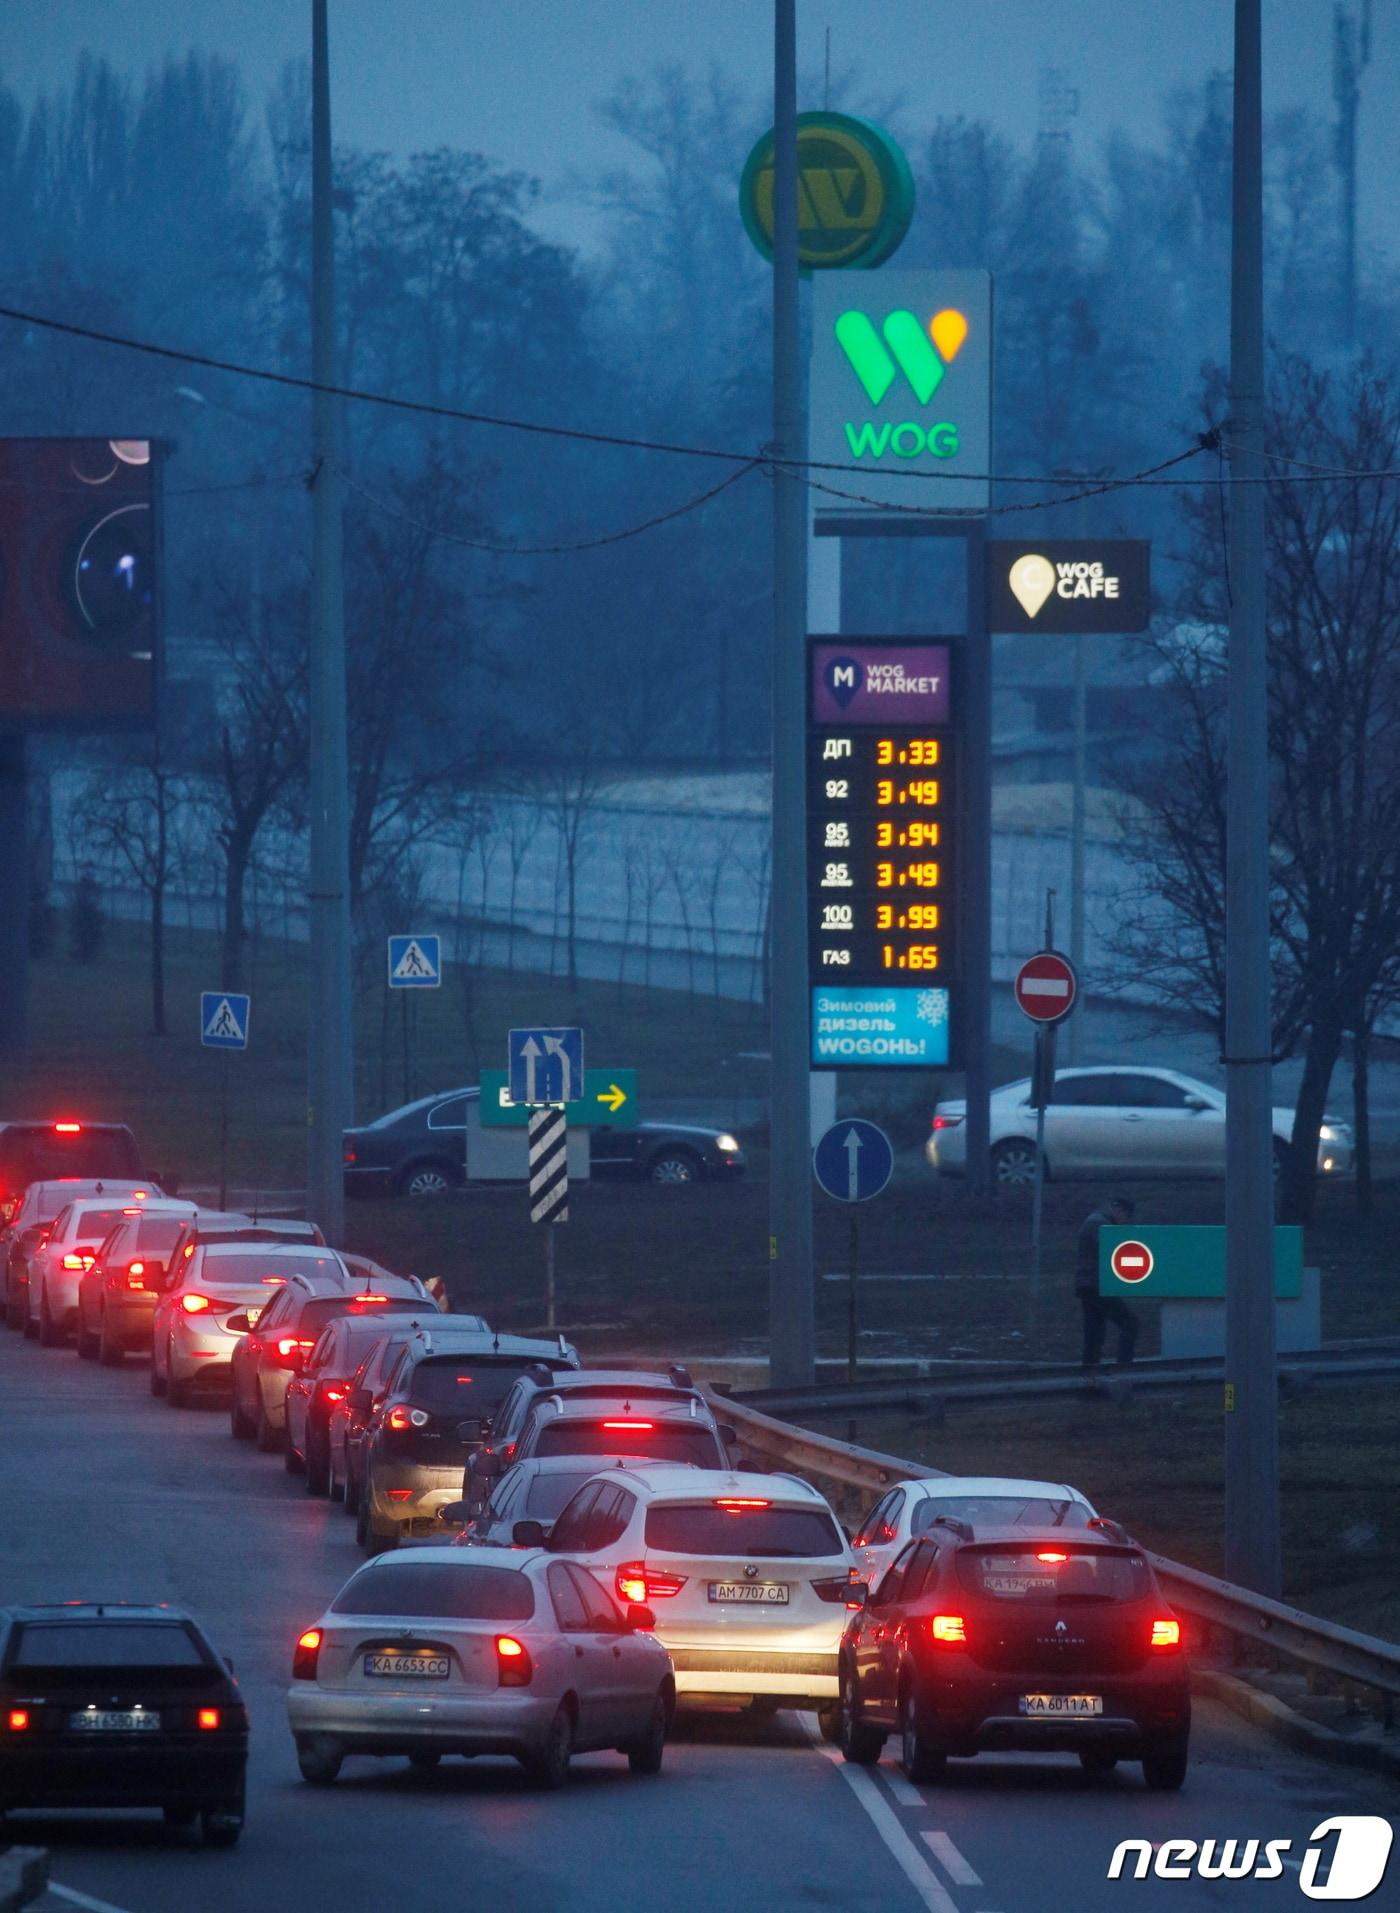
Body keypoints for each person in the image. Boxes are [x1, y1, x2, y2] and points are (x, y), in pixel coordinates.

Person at [1076, 1196, 1139, 1370]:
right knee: (1130, 1323)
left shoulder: (1095, 1221)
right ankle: (1124, 1369)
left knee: (1094, 1334)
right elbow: (1113, 1251)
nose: (1124, 1222)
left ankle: (1089, 1379)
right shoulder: (1101, 1225)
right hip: (1096, 1285)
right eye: (1126, 1218)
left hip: (1088, 1285)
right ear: (1118, 1210)